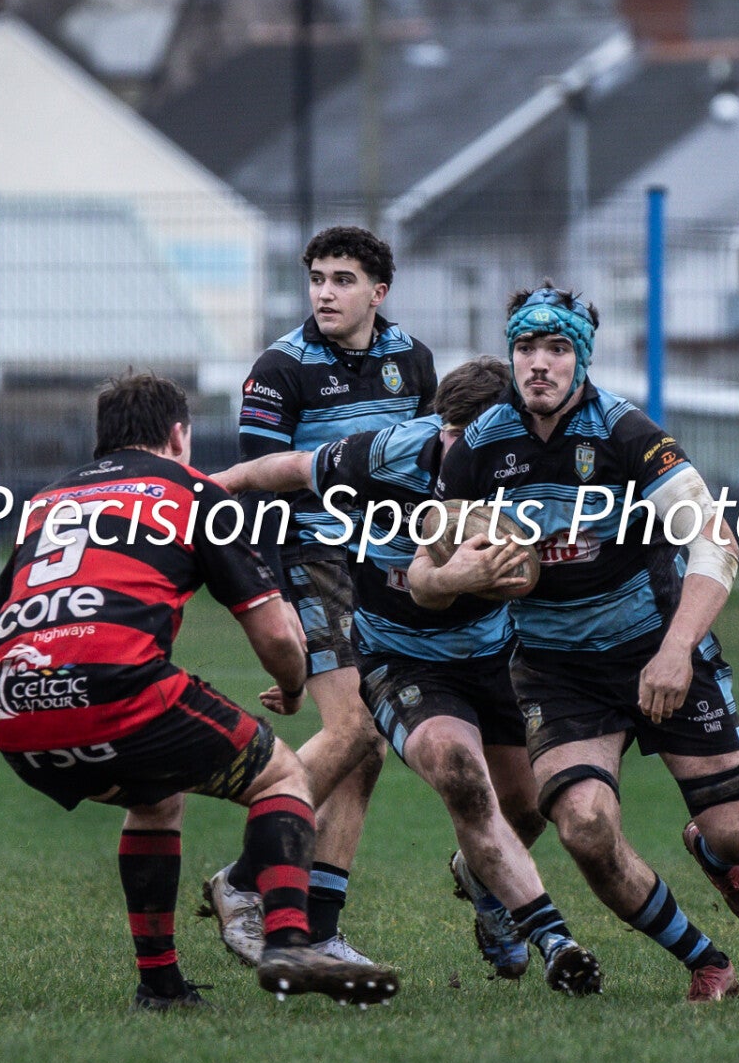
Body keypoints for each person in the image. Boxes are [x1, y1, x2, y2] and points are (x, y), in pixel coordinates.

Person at [0, 369, 400, 1009]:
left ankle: (161, 985)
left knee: (156, 798)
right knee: (282, 777)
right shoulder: (195, 492)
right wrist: (290, 689)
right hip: (115, 687)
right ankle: (290, 940)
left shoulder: (46, 502)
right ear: (179, 435)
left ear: (105, 441)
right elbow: (279, 637)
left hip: (15, 712)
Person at [216, 355, 604, 992]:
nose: (454, 451)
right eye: (447, 433)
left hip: (497, 654)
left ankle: (484, 882)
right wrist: (209, 488)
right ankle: (555, 939)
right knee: (460, 778)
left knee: (532, 805)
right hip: (401, 655)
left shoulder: (538, 470)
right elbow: (285, 468)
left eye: (469, 439)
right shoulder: (388, 452)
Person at [435, 288, 739, 1003]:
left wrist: (677, 649)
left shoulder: (627, 434)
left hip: (654, 643)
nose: (538, 364)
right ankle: (706, 962)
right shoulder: (476, 448)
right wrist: (457, 572)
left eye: (556, 349)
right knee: (585, 827)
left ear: (581, 358)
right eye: (526, 349)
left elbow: (715, 536)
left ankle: (715, 853)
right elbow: (433, 559)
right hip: (557, 670)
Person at [204, 226, 438, 969]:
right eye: (316, 278)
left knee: (366, 751)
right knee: (355, 731)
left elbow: (429, 468)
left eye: (342, 279)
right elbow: (256, 497)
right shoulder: (280, 368)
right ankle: (243, 878)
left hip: (388, 561)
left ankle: (322, 924)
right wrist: (277, 605)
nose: (326, 292)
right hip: (314, 556)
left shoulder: (413, 360)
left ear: (379, 290)